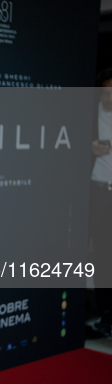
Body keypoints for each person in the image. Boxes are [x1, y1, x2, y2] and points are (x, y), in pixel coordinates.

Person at [89, 68, 112, 337]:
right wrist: (89, 147)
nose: (108, 98)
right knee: (102, 257)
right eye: (104, 92)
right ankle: (106, 314)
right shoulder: (90, 113)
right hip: (98, 192)